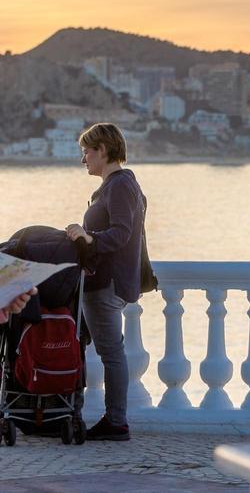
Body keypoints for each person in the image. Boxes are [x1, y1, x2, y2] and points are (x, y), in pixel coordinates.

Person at [66, 123, 146, 441]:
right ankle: (70, 409)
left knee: (112, 353)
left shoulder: (120, 185)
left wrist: (88, 237)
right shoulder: (113, 185)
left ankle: (116, 421)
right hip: (99, 282)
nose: (83, 159)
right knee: (82, 344)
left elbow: (122, 232)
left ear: (102, 150)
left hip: (106, 285)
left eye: (86, 151)